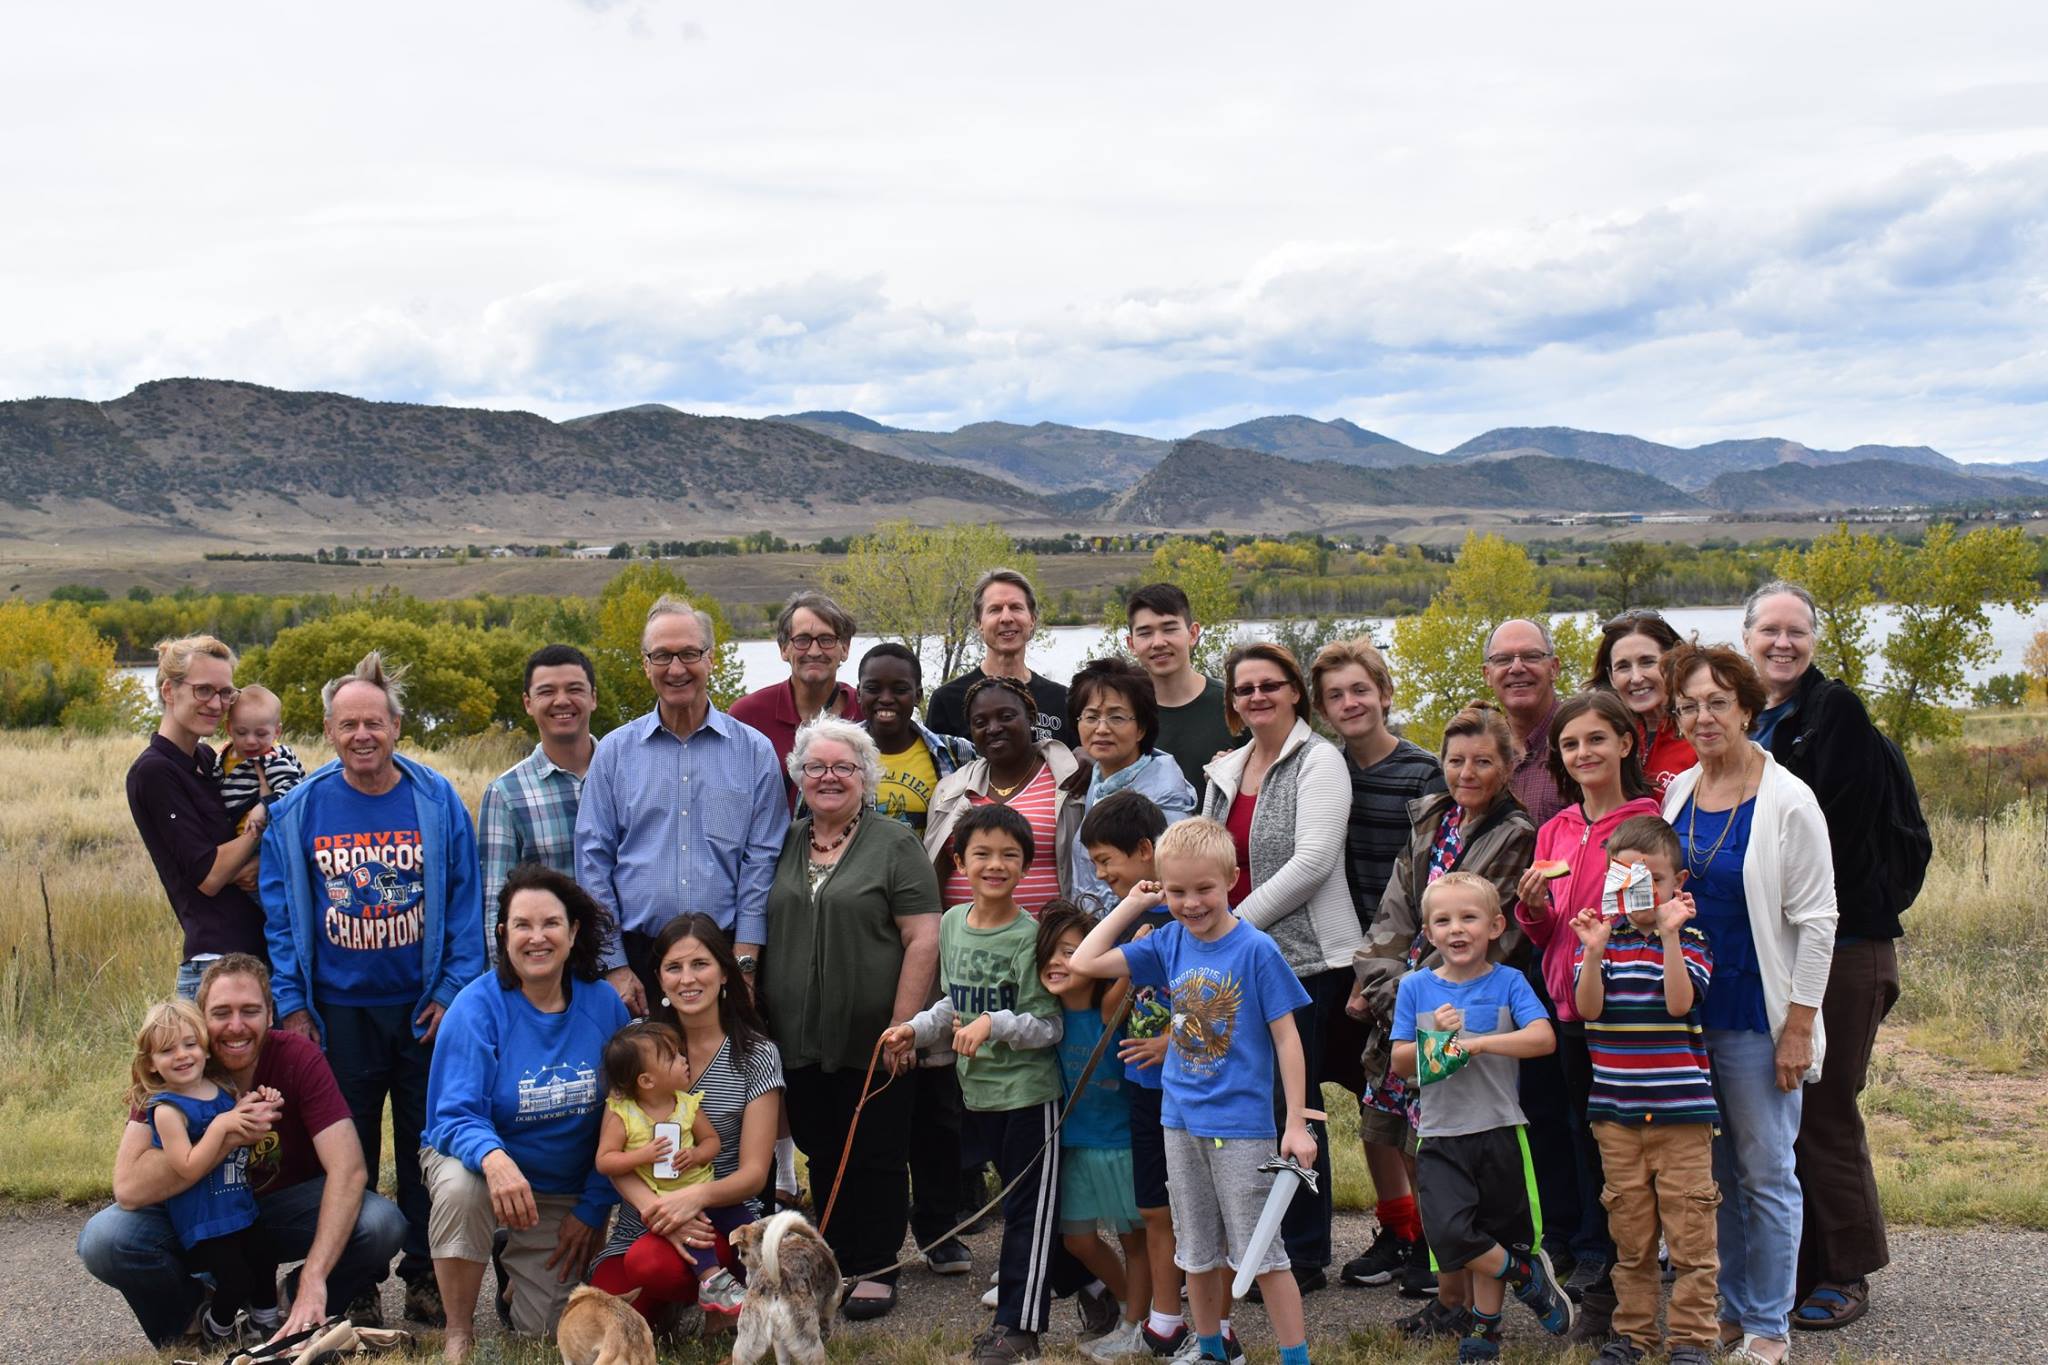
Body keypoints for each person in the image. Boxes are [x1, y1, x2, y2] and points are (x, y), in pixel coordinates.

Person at [259, 650, 488, 1323]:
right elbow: (278, 914)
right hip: (336, 1012)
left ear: (396, 725)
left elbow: (465, 900)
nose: (363, 734)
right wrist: (294, 1003)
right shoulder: (300, 809)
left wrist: (452, 987)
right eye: (348, 723)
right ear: (328, 730)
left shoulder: (435, 797)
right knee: (347, 1151)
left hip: (423, 1010)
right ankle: (356, 1278)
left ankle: (422, 1274)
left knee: (428, 1143)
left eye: (375, 722)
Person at [1069, 817, 1317, 1365]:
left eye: (1203, 889)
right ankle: (1211, 1351)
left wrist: (1295, 1122)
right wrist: (1133, 904)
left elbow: (1287, 1039)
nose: (1191, 903)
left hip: (1243, 1130)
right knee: (1196, 1253)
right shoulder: (1167, 942)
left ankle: (1294, 1356)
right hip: (1178, 1122)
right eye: (1176, 891)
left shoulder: (1256, 949)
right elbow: (1083, 963)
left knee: (1262, 1256)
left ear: (1230, 878)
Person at [78, 954, 407, 1347]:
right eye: (221, 1013)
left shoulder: (297, 1057)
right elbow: (129, 1188)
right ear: (201, 1017)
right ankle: (192, 1323)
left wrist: (315, 1276)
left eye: (249, 1010)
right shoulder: (178, 1063)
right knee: (105, 1238)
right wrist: (226, 1135)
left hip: (273, 1212)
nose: (236, 1026)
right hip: (196, 1214)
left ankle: (294, 1308)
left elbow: (350, 1168)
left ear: (271, 1014)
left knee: (381, 1223)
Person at [1662, 642, 1838, 1365]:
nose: (1702, 717)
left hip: (1756, 1015)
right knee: (1717, 1176)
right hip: (1690, 1015)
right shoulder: (1677, 792)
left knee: (1766, 1172)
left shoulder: (1788, 798)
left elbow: (1820, 920)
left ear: (1745, 706)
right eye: (1688, 705)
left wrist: (1799, 1026)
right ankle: (1732, 1307)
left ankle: (1769, 1325)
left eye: (1716, 702)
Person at [1744, 579, 1910, 1330]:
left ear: (1814, 638)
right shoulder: (1754, 719)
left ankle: (1846, 1270)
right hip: (1778, 946)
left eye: (1796, 630)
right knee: (1786, 1106)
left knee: (1822, 1105)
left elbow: (1831, 833)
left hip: (1844, 943)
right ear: (1747, 638)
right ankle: (1802, 1263)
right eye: (1768, 630)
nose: (1783, 643)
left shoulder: (1831, 712)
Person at [1349, 704, 1536, 1330]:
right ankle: (1444, 1285)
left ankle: (1461, 1295)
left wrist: (1412, 994)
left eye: (1483, 760)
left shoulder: (1515, 834)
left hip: (1452, 1010)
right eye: (1455, 760)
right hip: (1401, 1002)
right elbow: (1398, 908)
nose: (1467, 771)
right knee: (1416, 1156)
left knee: (1450, 1157)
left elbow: (1471, 933)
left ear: (1508, 765)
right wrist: (1383, 985)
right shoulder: (1431, 817)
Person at [765, 717, 944, 1320]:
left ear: (866, 777)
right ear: (800, 776)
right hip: (799, 1035)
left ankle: (879, 1262)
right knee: (819, 1143)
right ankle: (838, 1255)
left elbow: (923, 937)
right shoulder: (786, 842)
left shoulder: (895, 843)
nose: (830, 777)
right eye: (817, 767)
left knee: (877, 1148)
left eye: (844, 767)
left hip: (876, 1033)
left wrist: (904, 1026)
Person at [417, 865, 626, 1358]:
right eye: (523, 925)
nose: (538, 938)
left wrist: (593, 1208)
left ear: (573, 932)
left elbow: (625, 1117)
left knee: (547, 1333)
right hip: (485, 1170)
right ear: (502, 934)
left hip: (561, 1192)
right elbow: (453, 1115)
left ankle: (514, 1279)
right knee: (460, 1189)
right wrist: (494, 1159)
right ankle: (458, 1330)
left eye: (551, 923)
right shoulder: (475, 1008)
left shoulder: (605, 1007)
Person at [883, 804, 1066, 1365]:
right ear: (959, 860)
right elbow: (951, 1003)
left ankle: (1019, 1329)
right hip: (977, 1094)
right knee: (1022, 1210)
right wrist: (914, 1029)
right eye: (982, 854)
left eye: (1010, 855)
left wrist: (996, 1025)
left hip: (1030, 1097)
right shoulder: (950, 924)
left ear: (1026, 866)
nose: (996, 864)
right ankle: (1096, 1290)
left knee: (1029, 1216)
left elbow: (1048, 1025)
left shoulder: (1029, 936)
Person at [1201, 643, 1355, 1291]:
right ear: (1233, 702)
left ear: (1296, 691)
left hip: (1304, 960)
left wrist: (1233, 929)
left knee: (1295, 1103)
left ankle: (1306, 1248)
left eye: (1271, 684)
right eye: (1244, 688)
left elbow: (1313, 861)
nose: (1257, 696)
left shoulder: (1321, 760)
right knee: (1248, 1109)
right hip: (1234, 961)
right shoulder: (1225, 769)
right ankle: (1255, 1242)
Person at [1510, 690, 1664, 1308]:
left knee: (1599, 1130)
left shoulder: (1649, 823)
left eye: (1596, 739)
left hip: (1615, 1006)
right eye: (1570, 744)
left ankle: (1606, 1251)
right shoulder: (1557, 827)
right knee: (1547, 1121)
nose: (1583, 753)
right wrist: (1533, 907)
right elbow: (1544, 930)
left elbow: (1652, 917)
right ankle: (1565, 1238)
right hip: (1555, 999)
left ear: (1625, 743)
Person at [1389, 871, 1575, 1363]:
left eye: (1469, 917)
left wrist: (1475, 1044)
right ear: (1428, 933)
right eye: (1443, 920)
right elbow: (1402, 1062)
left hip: (1497, 1128)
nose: (1457, 929)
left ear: (1494, 926)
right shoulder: (1415, 987)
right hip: (1440, 1133)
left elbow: (1542, 1039)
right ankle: (1525, 1275)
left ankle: (1486, 1329)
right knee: (1450, 1231)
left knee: (1494, 1229)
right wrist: (1437, 1041)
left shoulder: (1509, 982)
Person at [1308, 638, 1445, 1296]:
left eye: (1360, 689)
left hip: (1411, 961)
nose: (1350, 702)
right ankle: (1399, 1228)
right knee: (1372, 1103)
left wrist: (1387, 965)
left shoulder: (1424, 772)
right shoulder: (1323, 770)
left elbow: (1434, 879)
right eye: (1335, 695)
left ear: (1385, 693)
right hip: (1344, 957)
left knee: (1416, 1104)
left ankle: (1439, 1238)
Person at [576, 594, 788, 1014]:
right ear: (645, 664)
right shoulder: (615, 753)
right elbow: (592, 861)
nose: (676, 669)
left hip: (726, 958)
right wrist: (615, 965)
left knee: (728, 1079)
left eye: (689, 653)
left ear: (711, 659)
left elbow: (761, 863)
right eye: (662, 656)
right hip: (638, 963)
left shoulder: (754, 752)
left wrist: (744, 965)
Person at [1569, 815, 1718, 1365]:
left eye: (1651, 880)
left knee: (1691, 1235)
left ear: (1676, 883)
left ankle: (1692, 1339)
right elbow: (1587, 1010)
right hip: (1617, 1116)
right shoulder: (1601, 943)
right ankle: (1633, 1335)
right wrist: (1591, 950)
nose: (1638, 891)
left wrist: (1671, 933)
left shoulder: (1694, 941)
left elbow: (1680, 1003)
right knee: (1630, 1238)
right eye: (1623, 878)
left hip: (1682, 1116)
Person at [589, 915, 785, 1326]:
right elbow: (612, 1155)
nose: (687, 979)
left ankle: (718, 1285)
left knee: (651, 1266)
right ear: (659, 979)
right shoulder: (637, 1043)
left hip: (721, 1217)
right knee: (604, 1320)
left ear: (724, 972)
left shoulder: (756, 1054)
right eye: (673, 968)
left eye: (700, 964)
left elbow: (754, 1173)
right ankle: (684, 1303)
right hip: (643, 1220)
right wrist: (660, 1210)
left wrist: (692, 1199)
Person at [1078, 792, 1190, 1358]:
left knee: (1190, 1208)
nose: (1100, 874)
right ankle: (1161, 1322)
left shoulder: (1191, 916)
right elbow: (1106, 1009)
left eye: (1106, 861)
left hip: (1194, 1091)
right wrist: (1133, 942)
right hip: (1144, 1089)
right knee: (1153, 1209)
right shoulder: (1129, 924)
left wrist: (1172, 1040)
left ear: (1146, 851)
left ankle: (1194, 1317)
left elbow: (1224, 998)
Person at [1035, 902, 1152, 1362]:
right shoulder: (1046, 1020)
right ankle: (1128, 1306)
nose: (1059, 962)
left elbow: (1127, 978)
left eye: (1075, 951)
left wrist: (1136, 948)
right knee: (1077, 1240)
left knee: (1134, 1240)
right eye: (1052, 952)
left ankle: (1136, 1323)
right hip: (1075, 1148)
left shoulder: (1107, 1008)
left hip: (1120, 1144)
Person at [129, 997, 281, 1346]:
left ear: (205, 1049)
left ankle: (265, 1323)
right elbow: (187, 1165)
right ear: (151, 1064)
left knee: (265, 1256)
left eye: (189, 1044)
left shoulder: (221, 1088)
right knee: (236, 1279)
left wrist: (256, 1105)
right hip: (205, 1220)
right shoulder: (168, 1109)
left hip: (238, 1205)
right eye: (167, 1050)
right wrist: (222, 1125)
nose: (182, 1055)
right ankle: (218, 1327)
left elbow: (235, 1126)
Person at [127, 634, 268, 999]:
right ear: (169, 692)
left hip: (255, 956)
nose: (217, 704)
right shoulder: (154, 772)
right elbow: (209, 875)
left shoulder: (207, 760)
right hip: (215, 966)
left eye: (226, 693)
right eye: (203, 690)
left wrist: (256, 862)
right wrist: (261, 824)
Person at [594, 1021, 744, 1321]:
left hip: (706, 1194)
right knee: (695, 1238)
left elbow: (712, 1141)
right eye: (674, 1057)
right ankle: (713, 1282)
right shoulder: (625, 1114)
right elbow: (605, 1161)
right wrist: (641, 1155)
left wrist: (696, 1154)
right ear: (647, 1081)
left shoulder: (687, 1105)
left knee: (745, 1226)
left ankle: (756, 1282)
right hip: (663, 1204)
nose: (684, 1060)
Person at [927, 676, 1081, 916]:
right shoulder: (951, 790)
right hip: (962, 944)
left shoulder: (1069, 779)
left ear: (1030, 718)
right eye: (980, 722)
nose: (994, 728)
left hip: (1050, 943)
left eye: (1007, 717)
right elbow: (936, 865)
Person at [1061, 657, 1197, 916]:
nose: (1101, 729)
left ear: (1141, 729)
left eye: (1117, 717)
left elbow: (1172, 883)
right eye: (1091, 717)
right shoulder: (1099, 778)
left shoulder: (1164, 795)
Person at [478, 644, 598, 931]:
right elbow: (496, 908)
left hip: (631, 967)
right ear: (528, 703)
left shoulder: (627, 776)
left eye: (574, 689)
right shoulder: (505, 795)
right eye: (546, 692)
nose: (561, 701)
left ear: (593, 698)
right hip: (551, 967)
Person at [729, 590, 864, 810]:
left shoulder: (864, 713)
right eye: (802, 640)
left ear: (845, 649)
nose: (814, 651)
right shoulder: (747, 716)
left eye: (826, 640)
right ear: (784, 649)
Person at [925, 568, 1070, 745]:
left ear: (1032, 619)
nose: (1006, 618)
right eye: (995, 609)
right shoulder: (947, 701)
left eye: (1016, 607)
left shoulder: (1063, 700)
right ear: (979, 623)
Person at [1123, 583, 1241, 795]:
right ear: (1131, 644)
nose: (1158, 642)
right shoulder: (1121, 714)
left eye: (1169, 629)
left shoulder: (1235, 707)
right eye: (1145, 633)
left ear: (1193, 633)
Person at [853, 641, 977, 834]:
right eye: (873, 688)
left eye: (900, 690)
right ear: (858, 694)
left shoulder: (957, 754)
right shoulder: (834, 754)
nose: (886, 698)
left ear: (918, 696)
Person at [1590, 610, 1696, 798]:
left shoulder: (1700, 733)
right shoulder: (1608, 737)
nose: (1636, 678)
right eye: (1623, 667)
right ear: (1611, 677)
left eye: (1647, 662)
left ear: (1673, 662)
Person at [1483, 619, 1567, 826]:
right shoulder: (1480, 753)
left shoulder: (1584, 743)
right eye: (1503, 659)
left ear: (1554, 668)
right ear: (1487, 675)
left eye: (1531, 656)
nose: (1517, 668)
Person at [218, 684, 306, 833]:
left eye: (261, 734)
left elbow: (293, 789)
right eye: (241, 732)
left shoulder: (273, 758)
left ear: (277, 732)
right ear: (229, 729)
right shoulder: (225, 756)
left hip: (269, 836)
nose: (251, 741)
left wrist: (263, 806)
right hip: (235, 836)